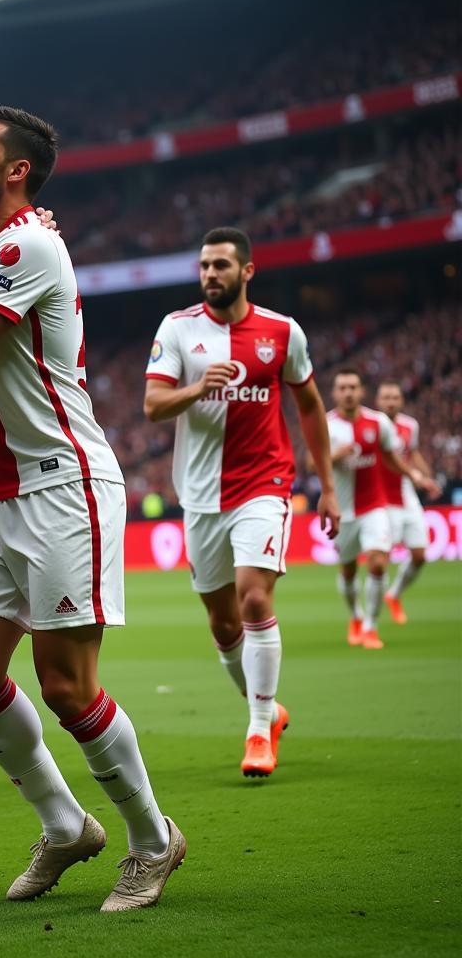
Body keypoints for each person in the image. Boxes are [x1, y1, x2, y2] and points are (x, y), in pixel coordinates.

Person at [0, 106, 184, 914]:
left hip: (60, 487)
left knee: (68, 685)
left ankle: (152, 841)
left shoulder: (29, 244)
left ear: (16, 172)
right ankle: (65, 824)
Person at [143, 226, 340, 779]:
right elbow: (154, 405)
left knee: (255, 599)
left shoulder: (281, 331)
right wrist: (198, 388)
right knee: (223, 623)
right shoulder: (178, 329)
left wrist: (326, 485)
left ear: (246, 271)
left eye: (221, 266)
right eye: (205, 265)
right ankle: (268, 710)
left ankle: (257, 730)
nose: (211, 274)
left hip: (265, 484)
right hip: (201, 495)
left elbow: (310, 407)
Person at [327, 368, 437, 649]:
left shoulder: (377, 423)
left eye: (353, 387)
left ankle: (371, 627)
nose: (348, 392)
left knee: (377, 562)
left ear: (362, 392)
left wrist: (414, 476)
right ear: (335, 393)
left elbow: (392, 456)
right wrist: (334, 456)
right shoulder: (326, 425)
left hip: (374, 506)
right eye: (343, 388)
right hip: (343, 510)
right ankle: (355, 616)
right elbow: (311, 464)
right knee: (348, 570)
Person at [375, 380, 442, 623]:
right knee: (381, 558)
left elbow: (412, 453)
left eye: (395, 397)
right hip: (381, 496)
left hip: (405, 492)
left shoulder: (409, 425)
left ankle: (394, 595)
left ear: (401, 401)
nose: (390, 402)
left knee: (420, 555)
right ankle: (371, 615)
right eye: (386, 397)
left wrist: (427, 477)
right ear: (378, 401)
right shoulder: (373, 425)